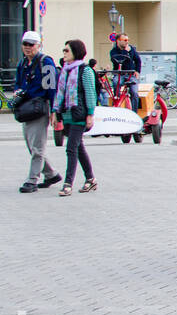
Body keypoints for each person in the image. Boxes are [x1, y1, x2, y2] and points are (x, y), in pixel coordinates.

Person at [16, 31, 61, 193]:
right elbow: (18, 84)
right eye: (25, 44)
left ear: (39, 45)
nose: (27, 47)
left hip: (40, 107)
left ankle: (32, 180)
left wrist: (54, 111)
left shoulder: (45, 61)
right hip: (26, 108)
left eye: (31, 44)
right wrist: (17, 93)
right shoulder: (22, 63)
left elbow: (51, 88)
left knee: (37, 147)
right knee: (32, 146)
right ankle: (51, 174)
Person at [50, 39, 98, 195]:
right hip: (67, 114)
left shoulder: (85, 71)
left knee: (71, 148)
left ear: (75, 52)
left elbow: (91, 93)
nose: (64, 53)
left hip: (80, 114)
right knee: (79, 147)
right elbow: (60, 93)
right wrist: (56, 112)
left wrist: (90, 114)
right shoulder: (65, 70)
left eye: (67, 50)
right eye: (63, 50)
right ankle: (90, 179)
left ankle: (67, 183)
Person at [109, 31, 142, 111]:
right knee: (116, 83)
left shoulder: (132, 49)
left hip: (130, 74)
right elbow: (119, 60)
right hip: (119, 74)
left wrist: (137, 71)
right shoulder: (113, 51)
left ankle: (134, 112)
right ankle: (117, 106)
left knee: (134, 92)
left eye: (127, 40)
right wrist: (126, 51)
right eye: (124, 40)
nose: (127, 42)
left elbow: (138, 60)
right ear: (118, 41)